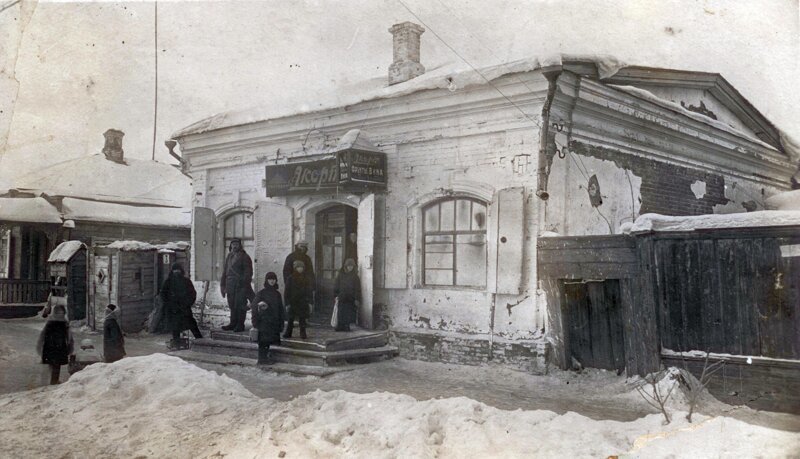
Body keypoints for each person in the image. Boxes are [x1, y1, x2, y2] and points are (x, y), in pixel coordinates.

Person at [160, 262, 202, 348]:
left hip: (184, 309)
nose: (176, 272)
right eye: (175, 270)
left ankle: (201, 341)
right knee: (175, 328)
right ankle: (177, 344)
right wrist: (170, 304)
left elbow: (192, 294)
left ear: (181, 271)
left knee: (192, 324)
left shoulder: (186, 281)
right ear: (172, 271)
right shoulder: (168, 282)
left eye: (178, 270)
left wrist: (187, 303)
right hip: (174, 310)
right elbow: (163, 295)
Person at [220, 238, 254, 332]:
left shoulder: (245, 257)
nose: (234, 246)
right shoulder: (229, 256)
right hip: (230, 285)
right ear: (230, 246)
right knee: (232, 305)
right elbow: (225, 272)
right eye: (233, 244)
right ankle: (233, 323)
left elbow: (248, 273)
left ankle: (240, 325)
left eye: (236, 244)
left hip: (240, 286)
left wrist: (243, 283)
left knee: (240, 305)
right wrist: (222, 286)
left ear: (240, 245)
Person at [251, 272, 285, 364]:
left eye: (273, 279)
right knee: (263, 342)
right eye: (270, 279)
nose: (272, 281)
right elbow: (254, 307)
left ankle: (264, 358)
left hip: (273, 322)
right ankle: (261, 359)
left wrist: (281, 322)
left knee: (268, 341)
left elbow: (280, 309)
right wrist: (255, 322)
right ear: (266, 280)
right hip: (264, 322)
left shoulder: (277, 294)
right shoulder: (261, 293)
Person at [36, 304, 73, 385]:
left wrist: (40, 346)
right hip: (59, 347)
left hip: (50, 347)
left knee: (52, 364)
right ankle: (53, 380)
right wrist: (70, 348)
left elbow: (43, 335)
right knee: (56, 365)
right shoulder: (64, 323)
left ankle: (52, 380)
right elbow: (69, 337)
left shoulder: (50, 322)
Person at [283, 260, 313, 339]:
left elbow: (309, 291)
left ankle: (303, 333)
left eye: (302, 267)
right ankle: (288, 333)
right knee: (290, 319)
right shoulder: (290, 278)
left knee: (302, 319)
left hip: (302, 302)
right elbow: (287, 292)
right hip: (293, 302)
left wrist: (310, 301)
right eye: (298, 267)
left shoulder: (306, 278)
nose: (300, 269)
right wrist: (287, 303)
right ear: (295, 268)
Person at [333, 258, 361, 332]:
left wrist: (357, 298)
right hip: (342, 297)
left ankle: (346, 325)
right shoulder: (341, 275)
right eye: (348, 266)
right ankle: (340, 325)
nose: (350, 267)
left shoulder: (355, 277)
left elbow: (357, 288)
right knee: (340, 312)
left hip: (350, 298)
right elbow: (336, 285)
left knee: (348, 312)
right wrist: (336, 295)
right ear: (345, 266)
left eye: (351, 266)